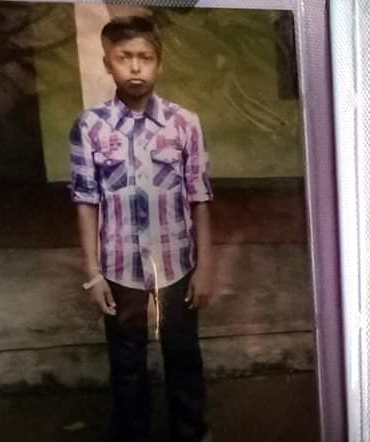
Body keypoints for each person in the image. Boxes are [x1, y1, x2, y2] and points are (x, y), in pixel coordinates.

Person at [69, 15, 213, 442]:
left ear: (159, 63)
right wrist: (93, 274)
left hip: (177, 264)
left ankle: (191, 432)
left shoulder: (184, 123)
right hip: (120, 268)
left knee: (183, 356)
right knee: (126, 363)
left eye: (145, 57)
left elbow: (200, 197)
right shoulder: (90, 127)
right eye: (124, 57)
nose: (135, 67)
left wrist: (205, 266)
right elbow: (85, 201)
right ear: (107, 63)